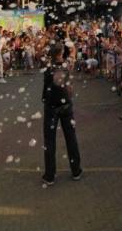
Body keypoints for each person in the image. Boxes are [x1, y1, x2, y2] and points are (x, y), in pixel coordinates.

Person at [41, 44, 82, 185]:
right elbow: (73, 54)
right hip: (66, 105)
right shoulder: (67, 65)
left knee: (49, 140)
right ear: (61, 53)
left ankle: (50, 175)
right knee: (71, 137)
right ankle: (76, 170)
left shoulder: (48, 68)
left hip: (51, 106)